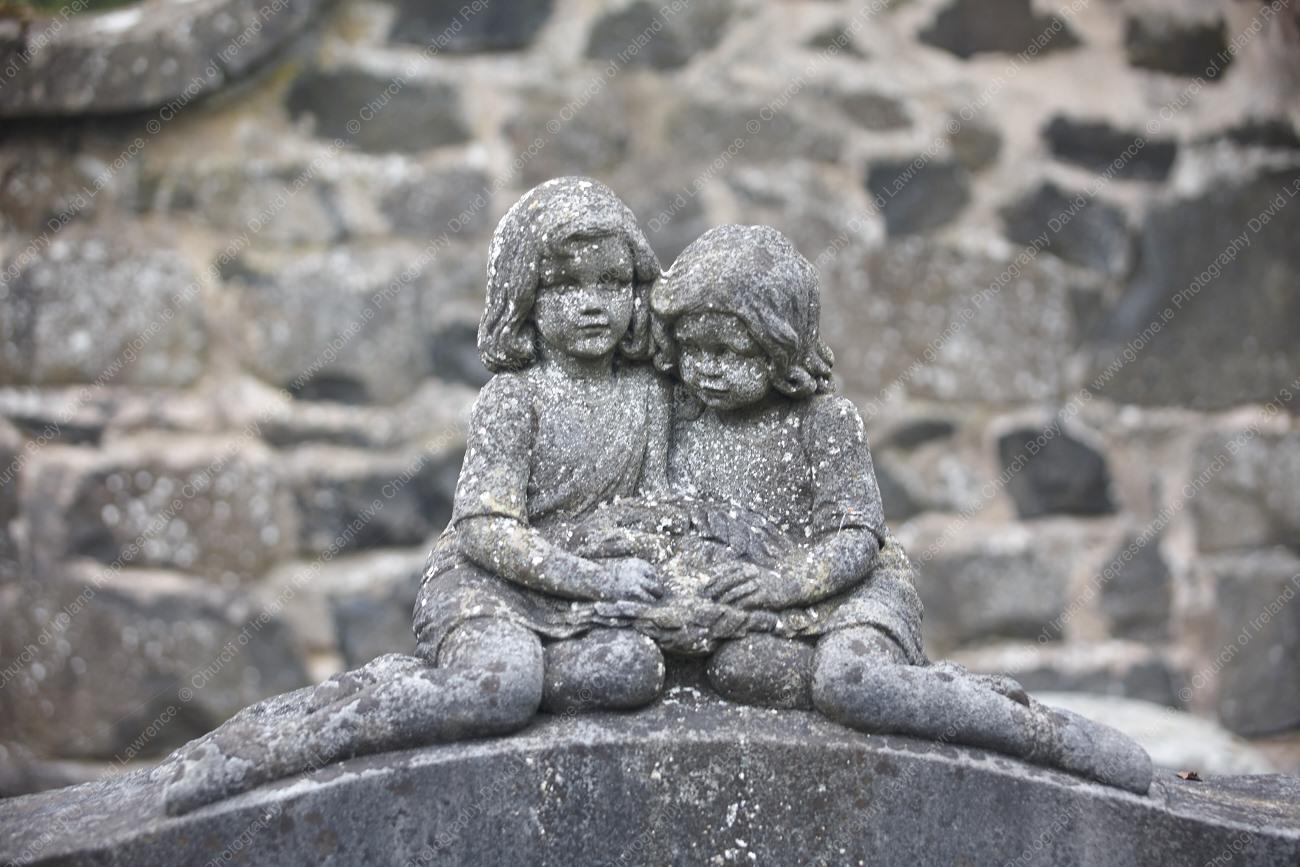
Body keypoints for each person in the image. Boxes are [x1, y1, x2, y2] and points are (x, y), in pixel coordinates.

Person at [161, 178, 673, 815]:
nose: (594, 304)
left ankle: (440, 684)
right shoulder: (515, 399)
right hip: (493, 585)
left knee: (631, 670)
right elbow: (486, 530)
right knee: (502, 689)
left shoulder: (647, 398)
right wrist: (595, 579)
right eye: (567, 286)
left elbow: (652, 513)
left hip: (586, 590)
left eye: (612, 283)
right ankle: (278, 742)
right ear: (525, 298)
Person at [644, 225, 1151, 793]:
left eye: (730, 351)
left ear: (780, 346)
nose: (708, 367)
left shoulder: (821, 422)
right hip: (751, 602)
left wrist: (782, 583)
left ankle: (1030, 731)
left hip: (846, 592)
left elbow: (857, 538)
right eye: (694, 349)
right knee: (738, 670)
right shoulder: (678, 423)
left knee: (850, 683)